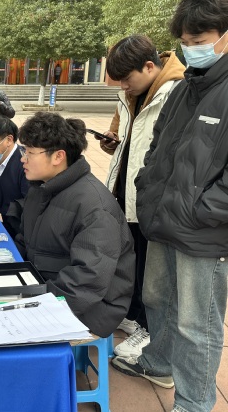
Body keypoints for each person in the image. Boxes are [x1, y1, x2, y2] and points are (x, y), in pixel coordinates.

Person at [111, 0, 228, 412]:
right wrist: (147, 188)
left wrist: (202, 209)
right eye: (185, 41)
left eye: (199, 41)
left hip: (204, 233)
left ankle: (194, 403)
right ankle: (158, 362)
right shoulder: (184, 89)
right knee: (157, 300)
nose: (190, 49)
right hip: (163, 218)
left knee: (198, 324)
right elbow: (158, 147)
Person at [100, 35, 185, 359]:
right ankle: (134, 316)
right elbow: (124, 137)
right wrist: (111, 141)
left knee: (155, 272)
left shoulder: (176, 91)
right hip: (127, 190)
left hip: (157, 197)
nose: (124, 86)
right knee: (132, 260)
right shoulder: (130, 94)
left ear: (149, 66)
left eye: (127, 79)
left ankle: (150, 330)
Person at [14, 111, 135, 338]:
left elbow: (88, 279)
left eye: (29, 152)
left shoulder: (95, 207)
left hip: (90, 307)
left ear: (58, 157)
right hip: (47, 285)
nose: (23, 159)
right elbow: (25, 241)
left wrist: (34, 304)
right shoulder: (42, 188)